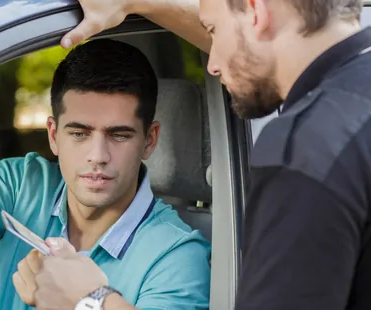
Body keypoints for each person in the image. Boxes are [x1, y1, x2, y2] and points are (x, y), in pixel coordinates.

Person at [30, 1, 371, 310]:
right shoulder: (354, 113)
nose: (213, 65)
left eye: (212, 31)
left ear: (256, 10)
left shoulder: (305, 150)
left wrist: (91, 302)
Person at [0, 39, 211, 309]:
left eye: (119, 135)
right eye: (79, 133)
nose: (97, 156)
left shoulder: (177, 255)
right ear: (53, 135)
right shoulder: (22, 185)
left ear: (148, 140)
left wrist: (86, 302)